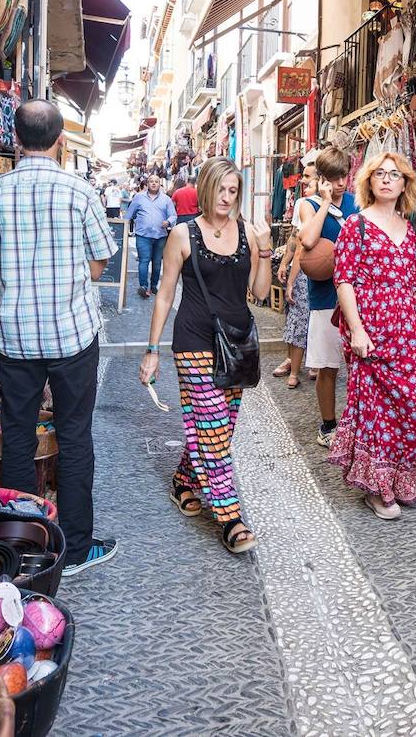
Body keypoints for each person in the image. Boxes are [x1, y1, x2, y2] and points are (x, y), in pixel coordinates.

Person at [0, 99, 119, 575]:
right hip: (72, 335)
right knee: (74, 436)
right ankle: (76, 551)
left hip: (14, 338)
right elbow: (98, 266)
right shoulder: (80, 193)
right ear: (60, 141)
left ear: (15, 139)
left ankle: (23, 547)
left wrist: (5, 275)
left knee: (17, 436)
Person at [140, 158, 273, 554]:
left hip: (237, 343)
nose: (227, 198)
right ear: (206, 188)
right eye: (221, 189)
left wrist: (265, 249)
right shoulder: (184, 234)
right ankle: (231, 518)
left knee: (218, 429)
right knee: (213, 429)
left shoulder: (247, 232)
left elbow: (260, 293)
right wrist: (152, 350)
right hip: (194, 341)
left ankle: (184, 480)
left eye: (234, 191)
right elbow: (165, 294)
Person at [328, 151, 416, 520]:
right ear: (369, 182)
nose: (387, 179)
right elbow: (344, 281)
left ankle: (401, 478)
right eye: (380, 174)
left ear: (405, 185)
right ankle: (378, 489)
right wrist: (356, 329)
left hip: (407, 331)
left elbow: (415, 287)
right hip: (371, 332)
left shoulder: (412, 231)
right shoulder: (355, 226)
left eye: (395, 174)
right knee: (376, 412)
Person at [296, 147, 358, 447]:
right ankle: (328, 426)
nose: (340, 183)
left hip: (358, 294)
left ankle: (359, 424)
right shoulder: (308, 205)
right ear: (322, 179)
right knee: (328, 365)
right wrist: (324, 202)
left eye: (344, 176)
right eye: (333, 178)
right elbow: (308, 239)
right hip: (325, 296)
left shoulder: (357, 202)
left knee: (360, 365)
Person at [272, 162, 317, 387]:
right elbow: (294, 238)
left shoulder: (331, 204)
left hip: (315, 270)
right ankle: (294, 362)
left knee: (312, 318)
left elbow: (302, 244)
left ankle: (313, 364)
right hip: (303, 269)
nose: (302, 180)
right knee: (296, 317)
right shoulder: (301, 202)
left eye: (308, 176)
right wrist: (284, 263)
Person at [125, 174, 176, 298]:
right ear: (147, 184)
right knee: (144, 260)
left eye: (156, 181)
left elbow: (173, 215)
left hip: (160, 236)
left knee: (157, 263)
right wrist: (123, 228)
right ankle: (143, 286)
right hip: (143, 235)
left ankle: (153, 286)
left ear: (160, 184)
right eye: (151, 181)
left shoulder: (166, 199)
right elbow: (129, 214)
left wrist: (168, 222)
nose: (153, 183)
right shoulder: (139, 197)